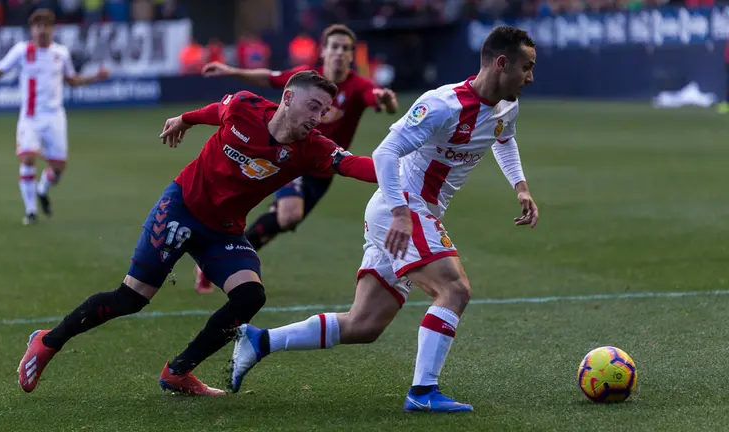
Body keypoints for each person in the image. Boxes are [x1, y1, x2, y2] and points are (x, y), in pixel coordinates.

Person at [228, 26, 540, 413]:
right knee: (454, 290)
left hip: (410, 214)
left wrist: (521, 187)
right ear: (501, 63)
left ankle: (259, 341)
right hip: (403, 208)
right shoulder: (443, 104)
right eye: (526, 67)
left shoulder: (506, 106)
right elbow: (386, 152)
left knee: (364, 325)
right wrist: (400, 212)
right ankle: (423, 393)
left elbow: (503, 137)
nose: (530, 77)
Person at [16, 71, 378, 396]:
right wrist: (184, 119)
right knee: (131, 298)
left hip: (223, 231)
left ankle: (178, 372)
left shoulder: (311, 147)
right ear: (287, 97)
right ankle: (47, 342)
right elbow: (216, 112)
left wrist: (408, 171)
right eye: (313, 106)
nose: (317, 118)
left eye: (323, 111)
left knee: (250, 296)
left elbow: (353, 164)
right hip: (181, 208)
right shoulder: (244, 106)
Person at [195, 24, 398, 293]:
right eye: (334, 46)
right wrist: (231, 70)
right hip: (290, 157)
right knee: (290, 213)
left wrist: (386, 101)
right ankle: (222, 255)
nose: (339, 53)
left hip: (324, 169)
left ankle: (220, 258)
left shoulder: (359, 85)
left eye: (346, 48)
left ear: (352, 55)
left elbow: (379, 99)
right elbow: (270, 77)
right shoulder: (306, 82)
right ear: (323, 51)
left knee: (283, 221)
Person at [0, 9, 110, 225]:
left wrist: (95, 77)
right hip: (30, 117)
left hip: (55, 118)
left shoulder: (61, 53)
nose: (41, 30)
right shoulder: (22, 51)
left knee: (58, 169)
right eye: (37, 26)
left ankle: (42, 190)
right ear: (32, 29)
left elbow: (72, 80)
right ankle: (30, 211)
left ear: (52, 29)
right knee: (28, 157)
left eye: (45, 25)